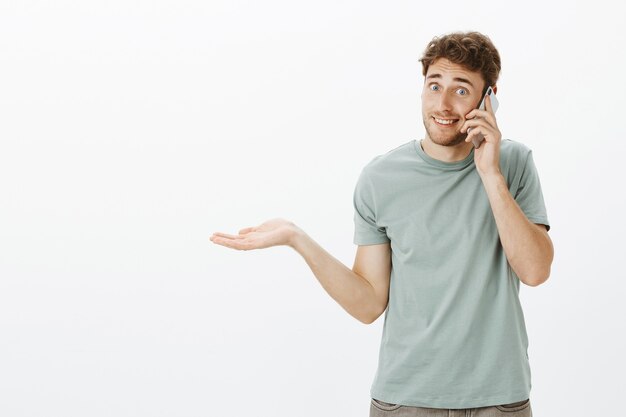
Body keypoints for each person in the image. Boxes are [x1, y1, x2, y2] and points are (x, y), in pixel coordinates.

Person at [209, 31, 552, 417]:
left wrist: (490, 175)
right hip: (405, 399)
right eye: (433, 85)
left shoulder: (515, 163)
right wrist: (296, 238)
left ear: (488, 98)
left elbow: (535, 271)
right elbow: (369, 303)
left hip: (498, 399)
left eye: (461, 90)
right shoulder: (381, 178)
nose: (442, 103)